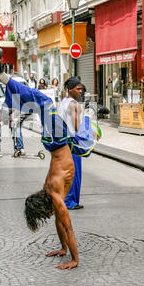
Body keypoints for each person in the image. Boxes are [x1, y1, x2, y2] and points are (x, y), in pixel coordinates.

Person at [0, 49, 94, 270]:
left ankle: (3, 79)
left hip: (57, 142)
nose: (49, 216)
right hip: (56, 143)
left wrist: (73, 259)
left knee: (43, 101)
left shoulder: (54, 193)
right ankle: (5, 84)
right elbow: (61, 225)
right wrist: (64, 250)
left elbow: (67, 228)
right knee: (37, 103)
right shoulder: (52, 195)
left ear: (44, 207)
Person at [58, 77, 84, 210]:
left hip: (63, 141)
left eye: (81, 89)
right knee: (74, 172)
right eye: (78, 89)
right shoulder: (74, 104)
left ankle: (65, 199)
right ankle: (71, 201)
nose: (80, 91)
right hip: (72, 141)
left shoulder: (63, 102)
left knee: (66, 172)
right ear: (70, 90)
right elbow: (77, 126)